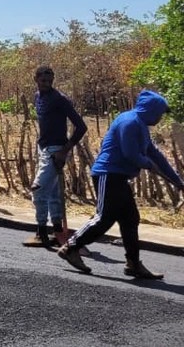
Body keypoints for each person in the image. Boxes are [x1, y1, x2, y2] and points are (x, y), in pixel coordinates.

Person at [58, 90, 183, 279]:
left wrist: (178, 182)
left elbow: (155, 154)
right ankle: (70, 247)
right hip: (108, 174)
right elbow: (130, 154)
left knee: (130, 219)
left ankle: (133, 263)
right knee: (104, 217)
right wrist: (148, 164)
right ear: (150, 110)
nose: (159, 118)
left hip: (119, 177)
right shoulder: (130, 122)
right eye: (159, 113)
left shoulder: (140, 125)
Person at [24, 65, 87, 249]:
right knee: (52, 193)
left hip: (56, 150)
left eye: (49, 81)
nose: (46, 84)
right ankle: (57, 231)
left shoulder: (60, 99)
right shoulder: (37, 97)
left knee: (38, 189)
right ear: (35, 79)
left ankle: (41, 232)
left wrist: (64, 150)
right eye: (43, 81)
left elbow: (81, 127)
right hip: (43, 148)